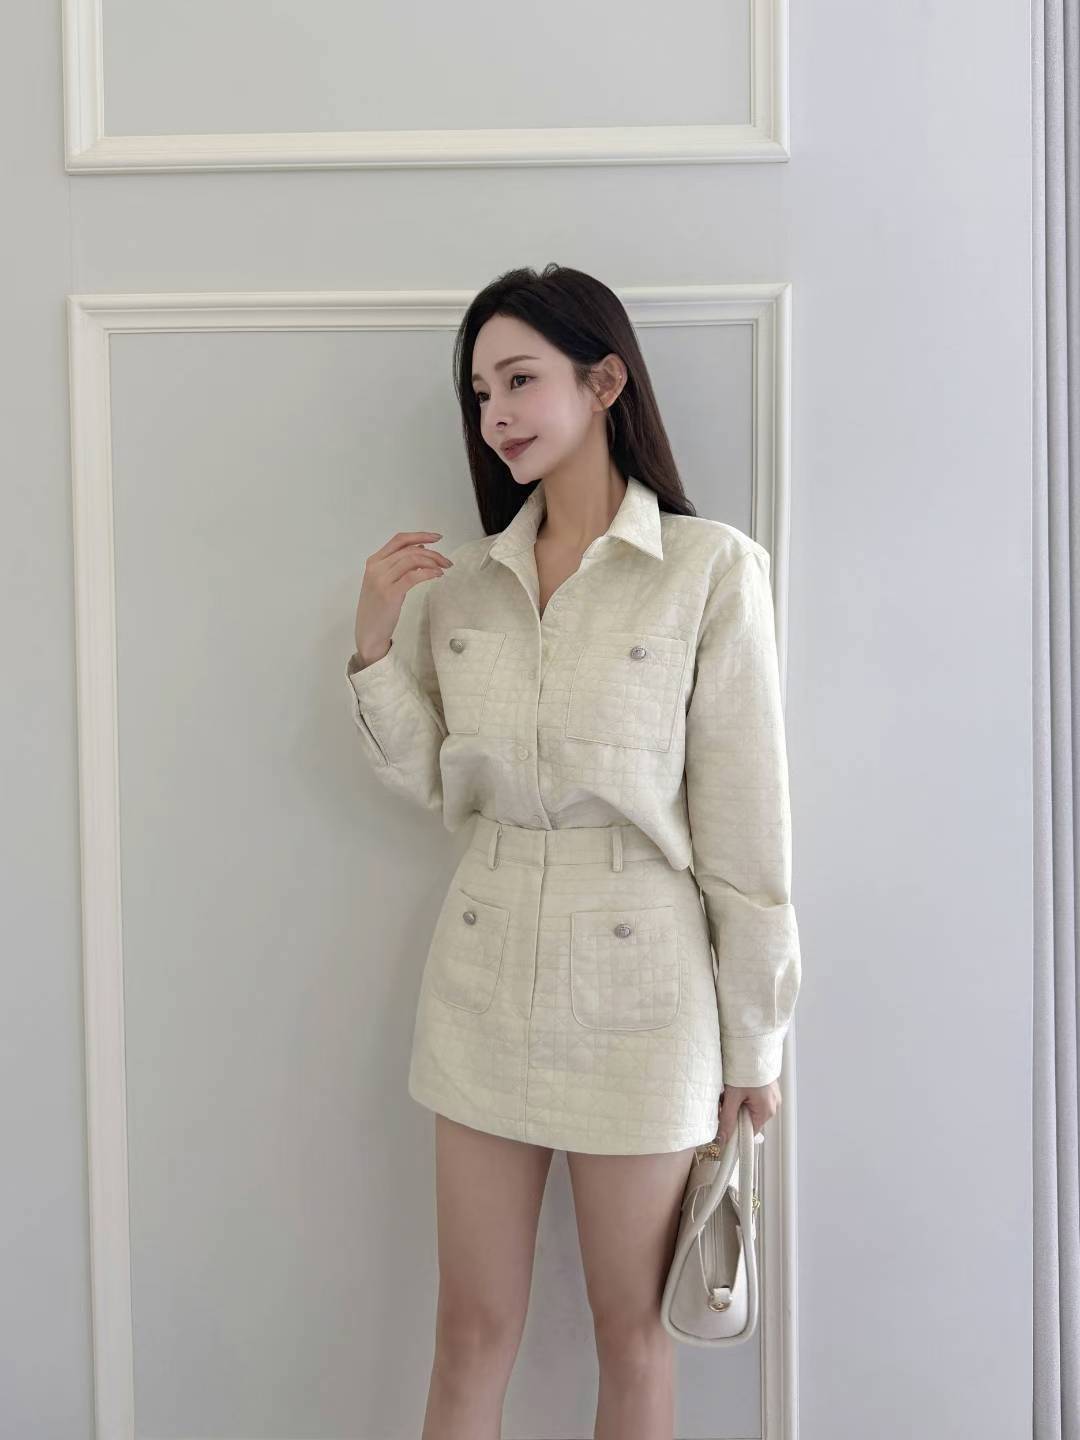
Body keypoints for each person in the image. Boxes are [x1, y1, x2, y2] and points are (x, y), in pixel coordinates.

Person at [345, 264, 802, 1439]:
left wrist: (753, 1040)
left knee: (631, 1333)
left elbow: (747, 831)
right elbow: (436, 783)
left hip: (645, 987)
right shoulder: (462, 588)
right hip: (482, 971)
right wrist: (373, 648)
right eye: (480, 391)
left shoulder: (710, 570)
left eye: (520, 380)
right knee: (468, 1331)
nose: (495, 413)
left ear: (605, 383)